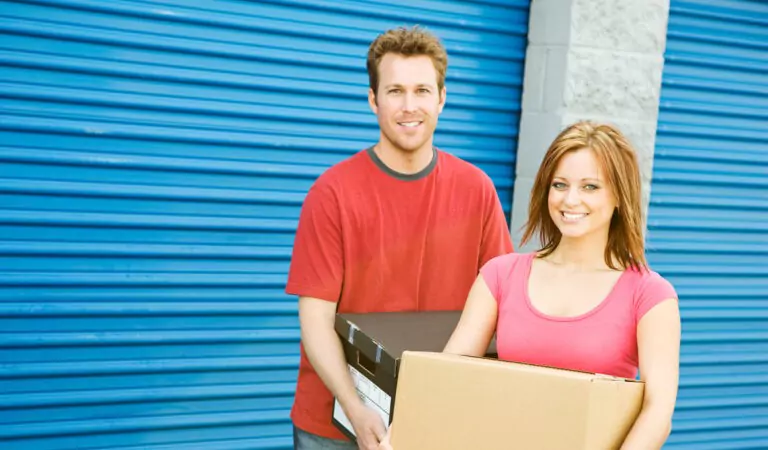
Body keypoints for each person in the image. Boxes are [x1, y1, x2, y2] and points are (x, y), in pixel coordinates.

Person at [379, 121, 681, 450]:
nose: (571, 199)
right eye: (560, 184)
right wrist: (399, 436)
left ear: (619, 196)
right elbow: (447, 377)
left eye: (590, 187)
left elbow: (658, 411)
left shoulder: (649, 295)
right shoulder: (501, 275)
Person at [285, 25, 514, 450]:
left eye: (422, 90)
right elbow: (315, 319)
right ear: (373, 100)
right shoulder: (332, 193)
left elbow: (502, 307)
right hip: (335, 425)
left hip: (437, 420)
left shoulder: (477, 190)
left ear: (442, 98)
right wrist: (354, 407)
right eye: (395, 91)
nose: (410, 106)